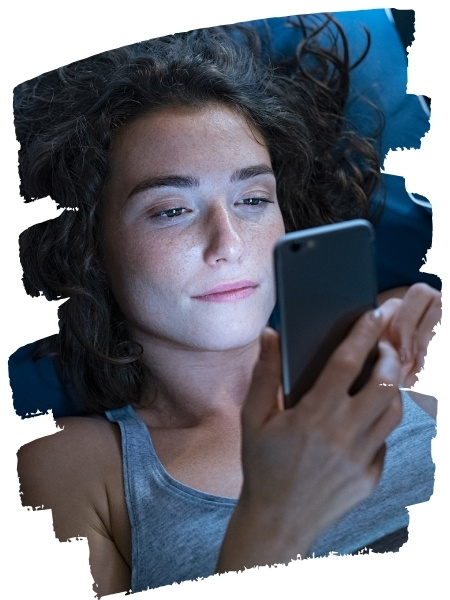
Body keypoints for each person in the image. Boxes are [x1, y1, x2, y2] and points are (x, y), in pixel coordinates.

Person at [15, 15, 440, 597]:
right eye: (171, 210)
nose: (229, 242)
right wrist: (275, 519)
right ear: (90, 244)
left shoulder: (411, 340)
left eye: (253, 199)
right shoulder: (73, 469)